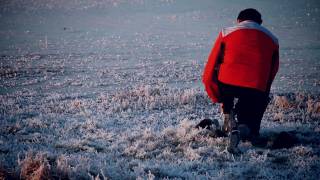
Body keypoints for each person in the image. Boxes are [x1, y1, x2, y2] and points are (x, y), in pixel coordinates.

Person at [202, 8, 279, 153]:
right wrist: (262, 96)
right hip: (256, 87)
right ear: (260, 23)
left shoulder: (226, 32)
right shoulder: (273, 40)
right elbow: (271, 73)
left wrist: (216, 96)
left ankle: (228, 118)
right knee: (250, 124)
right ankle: (243, 130)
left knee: (222, 75)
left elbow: (209, 69)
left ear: (238, 21)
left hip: (227, 85)